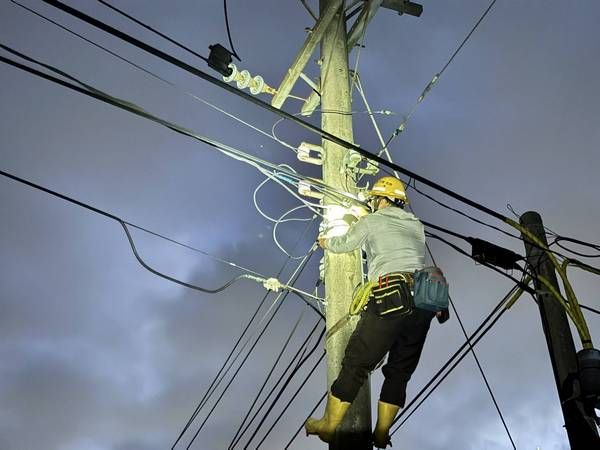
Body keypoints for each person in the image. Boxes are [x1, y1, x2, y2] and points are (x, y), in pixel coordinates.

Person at [305, 176, 437, 448]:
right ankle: (382, 433)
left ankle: (329, 425)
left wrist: (325, 242)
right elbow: (394, 239)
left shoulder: (372, 221)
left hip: (391, 294)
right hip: (424, 299)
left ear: (381, 199)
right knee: (399, 371)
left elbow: (345, 244)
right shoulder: (417, 225)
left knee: (356, 362)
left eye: (375, 199)